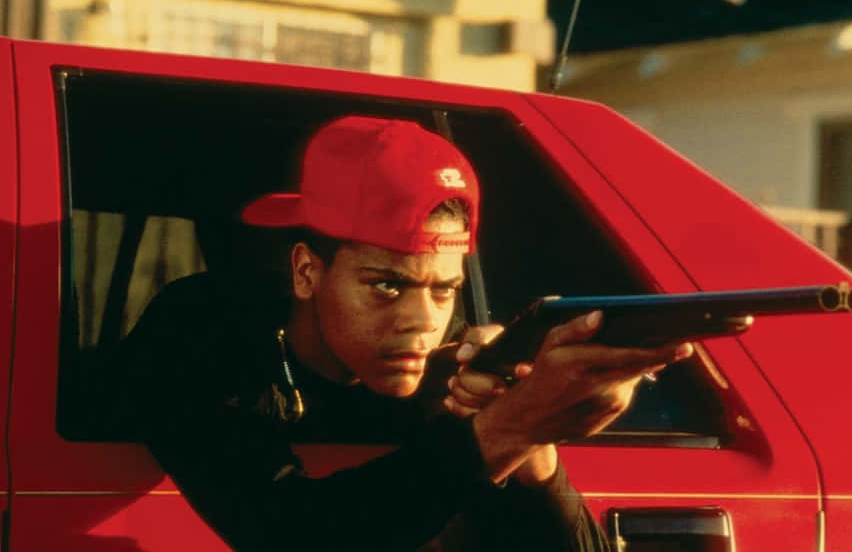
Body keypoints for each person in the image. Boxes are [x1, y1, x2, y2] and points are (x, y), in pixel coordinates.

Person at [117, 115, 693, 551]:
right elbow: (287, 530)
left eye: (443, 290)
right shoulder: (199, 334)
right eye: (387, 286)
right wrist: (506, 428)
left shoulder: (457, 366)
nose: (422, 321)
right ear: (306, 272)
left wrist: (533, 442)